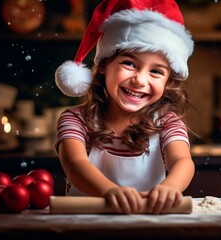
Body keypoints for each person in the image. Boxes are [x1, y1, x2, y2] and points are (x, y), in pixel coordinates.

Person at [54, 0, 195, 214]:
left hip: (148, 224)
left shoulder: (167, 123)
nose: (139, 80)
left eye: (156, 71)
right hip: (85, 224)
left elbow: (183, 162)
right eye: (129, 64)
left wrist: (169, 188)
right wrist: (109, 191)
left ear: (168, 82)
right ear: (103, 66)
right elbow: (75, 165)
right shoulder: (75, 119)